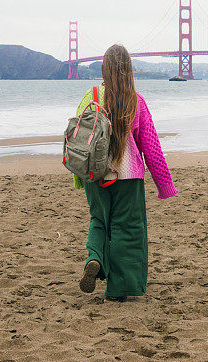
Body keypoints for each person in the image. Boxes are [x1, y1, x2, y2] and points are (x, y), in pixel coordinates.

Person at [72, 44, 178, 301]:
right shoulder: (136, 101)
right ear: (129, 70)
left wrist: (79, 177)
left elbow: (78, 140)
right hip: (128, 176)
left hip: (95, 175)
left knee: (99, 220)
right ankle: (120, 287)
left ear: (104, 69)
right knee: (126, 229)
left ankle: (95, 259)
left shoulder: (92, 96)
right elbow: (151, 146)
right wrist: (165, 185)